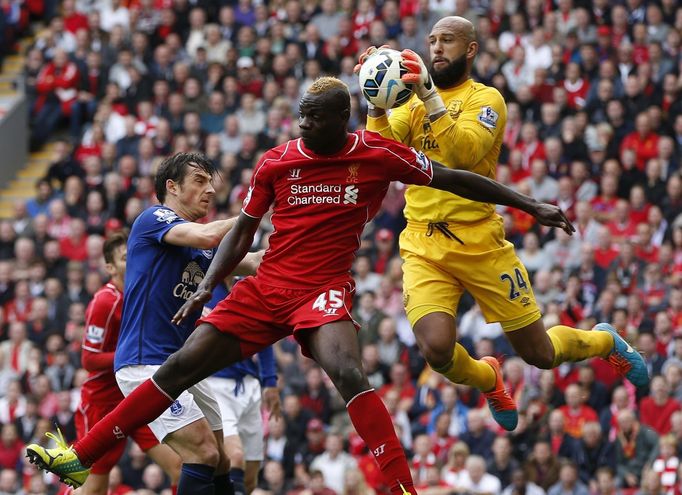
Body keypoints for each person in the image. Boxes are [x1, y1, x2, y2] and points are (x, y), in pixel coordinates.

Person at [26, 77, 573, 495]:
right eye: (300, 117)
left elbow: (456, 177)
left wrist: (528, 204)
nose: (303, 125)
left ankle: (402, 486)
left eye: (312, 118)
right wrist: (204, 287)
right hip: (267, 289)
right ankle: (81, 455)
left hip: (323, 290)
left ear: (342, 116)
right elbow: (241, 231)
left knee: (348, 371)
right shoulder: (277, 162)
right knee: (179, 370)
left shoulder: (377, 154)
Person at [357, 16, 648, 431]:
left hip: (481, 241)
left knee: (540, 355)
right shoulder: (407, 103)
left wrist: (427, 93)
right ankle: (489, 378)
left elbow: (463, 155)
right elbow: (376, 155)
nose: (437, 49)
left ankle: (605, 341)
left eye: (448, 41)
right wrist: (375, 101)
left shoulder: (486, 99)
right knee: (437, 350)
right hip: (424, 242)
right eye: (432, 41)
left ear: (470, 49)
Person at [30, 152, 263, 493]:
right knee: (203, 453)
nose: (210, 190)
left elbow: (255, 261)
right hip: (145, 362)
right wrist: (258, 205)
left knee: (222, 461)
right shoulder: (154, 218)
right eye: (200, 181)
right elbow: (209, 236)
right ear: (172, 186)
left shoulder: (204, 248)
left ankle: (78, 459)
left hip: (184, 365)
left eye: (211, 183)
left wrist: (302, 234)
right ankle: (77, 459)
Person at [75, 231, 182, 495]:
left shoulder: (144, 293)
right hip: (104, 402)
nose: (132, 260)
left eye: (134, 254)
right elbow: (88, 359)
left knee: (180, 464)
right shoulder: (105, 301)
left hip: (138, 395)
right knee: (94, 486)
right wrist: (135, 354)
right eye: (125, 258)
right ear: (110, 267)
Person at [205, 281, 281, 495]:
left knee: (250, 478)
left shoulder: (250, 286)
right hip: (215, 385)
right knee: (235, 457)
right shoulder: (204, 288)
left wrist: (270, 382)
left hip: (250, 386)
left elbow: (265, 334)